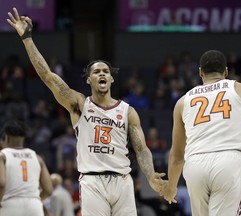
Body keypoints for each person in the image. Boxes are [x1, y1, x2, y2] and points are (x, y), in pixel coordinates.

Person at [7, 7, 165, 216]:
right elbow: (47, 76)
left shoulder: (127, 111)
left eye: (106, 72)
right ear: (89, 79)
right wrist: (27, 38)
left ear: (111, 79)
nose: (102, 74)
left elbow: (142, 149)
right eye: (96, 72)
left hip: (122, 181)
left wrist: (151, 174)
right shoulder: (80, 104)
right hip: (92, 181)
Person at [159, 50, 241, 216]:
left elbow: (176, 156)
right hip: (229, 161)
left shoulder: (182, 101)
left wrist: (171, 187)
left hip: (195, 164)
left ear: (200, 72)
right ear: (226, 71)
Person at [0, 120, 53, 216]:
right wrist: (35, 199)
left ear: (6, 138)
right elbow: (49, 190)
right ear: (23, 139)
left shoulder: (3, 155)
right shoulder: (37, 157)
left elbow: (1, 182)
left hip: (10, 205)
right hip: (34, 206)